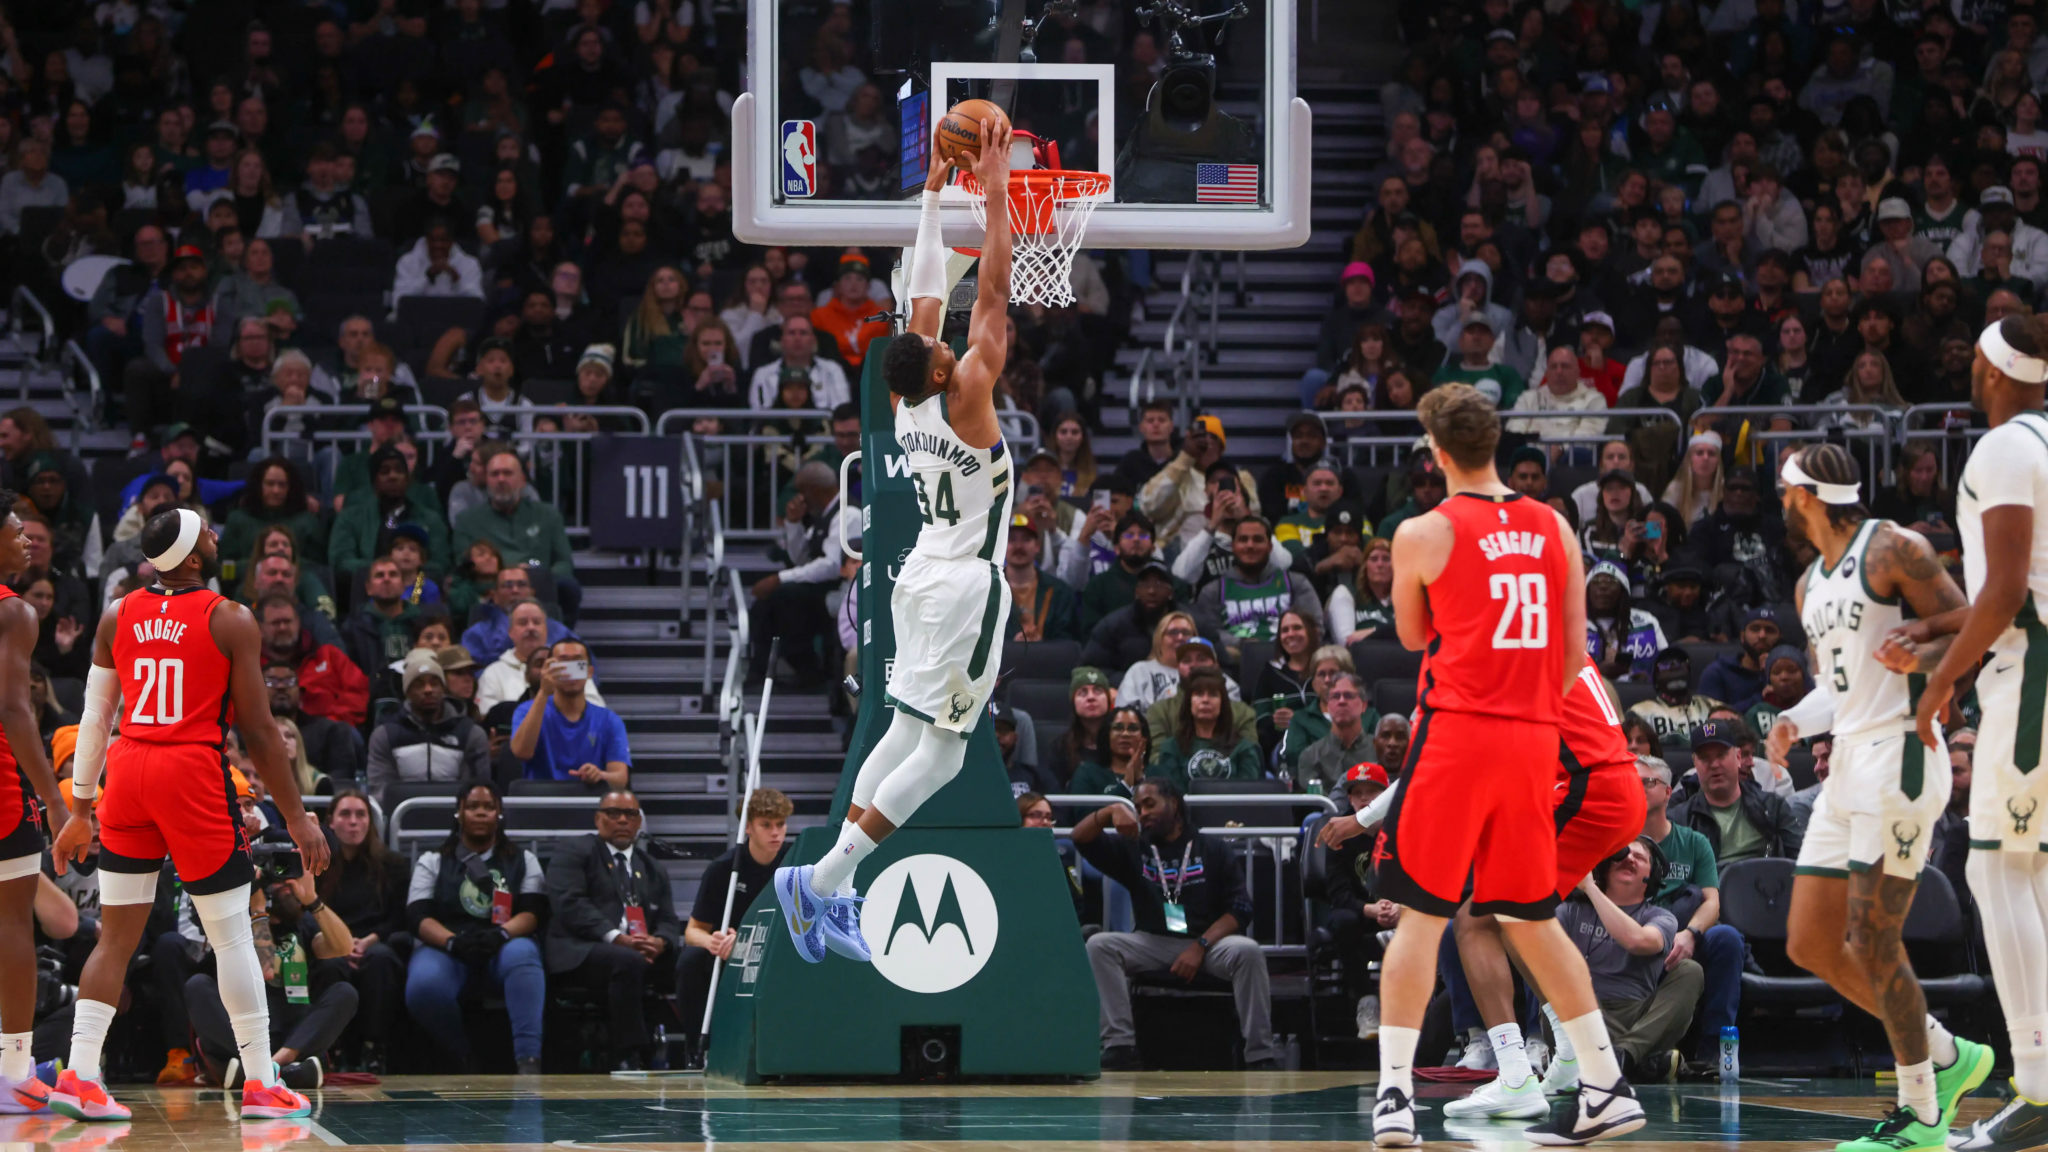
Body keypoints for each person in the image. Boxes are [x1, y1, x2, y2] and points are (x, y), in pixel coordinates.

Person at [1357, 383, 1641, 1146]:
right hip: (1532, 742)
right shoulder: (1555, 525)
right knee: (1530, 918)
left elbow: (1412, 637)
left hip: (1459, 735)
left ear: (1437, 451)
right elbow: (1576, 655)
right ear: (1497, 444)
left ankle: (1393, 1097)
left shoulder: (1423, 530)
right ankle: (1606, 1085)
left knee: (1423, 917)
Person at [771, 123, 1017, 964]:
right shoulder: (969, 394)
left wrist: (932, 193)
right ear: (943, 370)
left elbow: (924, 294)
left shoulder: (911, 402)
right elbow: (992, 289)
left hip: (916, 577)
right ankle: (825, 879)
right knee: (942, 757)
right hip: (964, 584)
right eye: (945, 346)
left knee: (904, 734)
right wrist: (993, 189)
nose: (946, 338)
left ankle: (830, 885)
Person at [48, 508, 329, 1121]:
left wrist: (81, 808)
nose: (216, 534)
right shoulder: (230, 617)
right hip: (190, 772)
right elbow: (260, 730)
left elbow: (95, 718)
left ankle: (78, 1074)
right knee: (231, 935)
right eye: (206, 531)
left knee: (116, 938)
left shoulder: (117, 613)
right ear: (195, 558)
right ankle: (262, 1083)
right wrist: (297, 816)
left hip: (127, 770)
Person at [1755, 445, 1991, 1149]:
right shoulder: (1809, 585)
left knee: (1872, 940)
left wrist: (1925, 666)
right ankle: (1947, 1053)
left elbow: (1974, 626)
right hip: (1849, 762)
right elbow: (1845, 687)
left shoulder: (1893, 547)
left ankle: (1922, 1117)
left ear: (1805, 495)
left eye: (1786, 489)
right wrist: (1796, 720)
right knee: (1810, 941)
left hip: (1901, 756)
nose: (1781, 499)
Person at [1908, 316, 2048, 1151]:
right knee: (2034, 873)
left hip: (2033, 677)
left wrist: (1941, 682)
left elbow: (2004, 592)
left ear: (1991, 370)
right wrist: (1941, 633)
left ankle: (2037, 1084)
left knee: (1997, 868)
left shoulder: (2003, 447)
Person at [1072, 778, 1276, 1070]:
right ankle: (1119, 1045)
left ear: (1174, 804)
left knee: (1248, 951)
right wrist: (1110, 811)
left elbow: (1241, 908)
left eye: (1149, 804)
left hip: (1209, 945)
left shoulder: (1212, 848)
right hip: (1152, 942)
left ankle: (1259, 1054)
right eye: (1138, 808)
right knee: (1099, 945)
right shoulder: (1135, 847)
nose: (1142, 813)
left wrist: (1200, 946)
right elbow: (1081, 838)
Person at [403, 781, 546, 1074]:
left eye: (488, 807)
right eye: (472, 807)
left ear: (499, 814)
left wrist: (502, 934)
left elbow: (533, 912)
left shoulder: (523, 860)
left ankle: (528, 1060)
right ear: (459, 813)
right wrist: (453, 941)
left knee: (524, 956)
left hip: (505, 943)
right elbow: (418, 917)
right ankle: (463, 1056)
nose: (481, 813)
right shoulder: (433, 860)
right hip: (447, 946)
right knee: (423, 986)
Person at [0, 503, 66, 1106]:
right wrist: (54, 801)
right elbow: (15, 710)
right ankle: (14, 1072)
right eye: (16, 530)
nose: (27, 540)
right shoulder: (14, 610)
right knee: (11, 922)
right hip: (0, 786)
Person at [181, 866, 357, 1088]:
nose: (287, 884)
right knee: (197, 986)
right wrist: (258, 910)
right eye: (278, 880)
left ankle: (269, 1067)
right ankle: (284, 1072)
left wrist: (312, 900)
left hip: (294, 1037)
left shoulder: (302, 923)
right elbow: (266, 971)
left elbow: (343, 947)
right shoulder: (236, 924)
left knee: (345, 992)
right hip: (243, 1038)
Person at [544, 789, 682, 1070]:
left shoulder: (652, 867)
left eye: (630, 814)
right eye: (613, 813)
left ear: (639, 822)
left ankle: (699, 1048)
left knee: (693, 962)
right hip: (581, 949)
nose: (622, 820)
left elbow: (668, 919)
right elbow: (570, 905)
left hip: (639, 949)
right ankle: (630, 1055)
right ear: (598, 819)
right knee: (627, 960)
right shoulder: (574, 851)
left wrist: (660, 942)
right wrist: (617, 938)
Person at [1556, 838, 1703, 1082]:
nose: (1629, 859)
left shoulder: (1662, 917)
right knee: (1545, 966)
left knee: (1690, 971)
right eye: (1621, 854)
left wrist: (1592, 889)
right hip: (1584, 1012)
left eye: (1640, 857)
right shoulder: (1570, 910)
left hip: (1638, 1017)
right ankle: (1638, 1061)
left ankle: (1621, 1055)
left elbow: (1639, 941)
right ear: (1604, 866)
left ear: (1652, 875)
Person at [679, 788, 791, 1062]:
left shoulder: (795, 863)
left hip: (778, 949)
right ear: (748, 828)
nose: (776, 833)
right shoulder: (723, 869)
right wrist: (714, 942)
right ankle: (697, 1050)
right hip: (730, 953)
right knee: (690, 961)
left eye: (781, 824)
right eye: (766, 825)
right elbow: (692, 932)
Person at [315, 789, 408, 1071]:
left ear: (370, 821)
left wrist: (368, 941)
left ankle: (373, 1048)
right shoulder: (318, 865)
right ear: (331, 822)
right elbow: (311, 912)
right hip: (330, 942)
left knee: (381, 961)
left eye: (360, 814)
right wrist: (339, 945)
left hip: (374, 940)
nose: (353, 822)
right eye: (345, 814)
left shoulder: (393, 864)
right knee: (328, 966)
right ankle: (333, 1049)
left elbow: (399, 917)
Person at [749, 460, 857, 685]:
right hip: (822, 591)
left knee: (785, 597)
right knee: (767, 604)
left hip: (843, 594)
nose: (799, 498)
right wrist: (793, 523)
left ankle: (808, 669)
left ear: (813, 490)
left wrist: (780, 578)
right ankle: (760, 670)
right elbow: (800, 559)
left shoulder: (848, 514)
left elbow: (831, 566)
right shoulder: (824, 516)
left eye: (801, 492)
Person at [454, 450, 581, 624]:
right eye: (494, 474)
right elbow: (461, 565)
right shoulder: (467, 520)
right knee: (439, 589)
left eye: (507, 473)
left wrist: (539, 574)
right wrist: (498, 572)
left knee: (568, 586)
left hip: (537, 579)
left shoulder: (547, 515)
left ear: (522, 479)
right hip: (489, 582)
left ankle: (560, 638)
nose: (501, 479)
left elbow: (564, 562)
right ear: (487, 480)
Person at [365, 650, 492, 809]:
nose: (428, 690)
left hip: (457, 818)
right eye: (419, 684)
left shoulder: (470, 733)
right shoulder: (386, 734)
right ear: (407, 691)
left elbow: (475, 790)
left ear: (443, 688)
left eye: (434, 683)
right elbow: (381, 792)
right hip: (401, 818)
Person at [1668, 719, 1805, 862]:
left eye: (1721, 755)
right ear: (1695, 763)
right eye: (1704, 758)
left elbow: (1800, 860)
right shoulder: (1678, 821)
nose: (1714, 764)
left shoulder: (1772, 807)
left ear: (1738, 757)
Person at [510, 639, 629, 788]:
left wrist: (600, 775)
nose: (571, 671)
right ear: (549, 670)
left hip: (590, 798)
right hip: (542, 797)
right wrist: (544, 692)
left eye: (578, 664)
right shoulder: (526, 710)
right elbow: (521, 752)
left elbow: (620, 778)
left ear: (589, 672)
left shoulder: (609, 720)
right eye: (563, 663)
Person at [1191, 516, 1322, 648]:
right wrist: (1241, 643)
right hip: (1235, 658)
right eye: (1243, 540)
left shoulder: (1296, 583)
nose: (1250, 545)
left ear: (1270, 547)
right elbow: (1208, 635)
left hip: (1289, 653)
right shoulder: (1213, 591)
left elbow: (1315, 629)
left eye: (1258, 540)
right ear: (1233, 547)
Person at [1148, 667, 1261, 788]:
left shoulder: (1244, 748)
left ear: (1223, 703)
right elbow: (1171, 794)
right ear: (1189, 702)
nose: (1205, 700)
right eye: (1199, 694)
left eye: (1213, 695)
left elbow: (1248, 792)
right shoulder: (1171, 748)